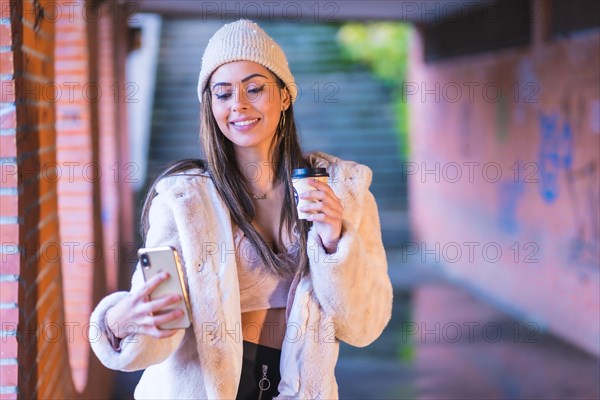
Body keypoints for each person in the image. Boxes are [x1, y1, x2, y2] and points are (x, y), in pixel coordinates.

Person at [90, 19, 393, 400]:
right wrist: (118, 322)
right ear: (210, 106)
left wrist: (335, 242)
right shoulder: (185, 201)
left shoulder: (340, 190)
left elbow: (365, 325)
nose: (240, 105)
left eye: (254, 88)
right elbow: (157, 326)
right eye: (223, 93)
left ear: (284, 97)